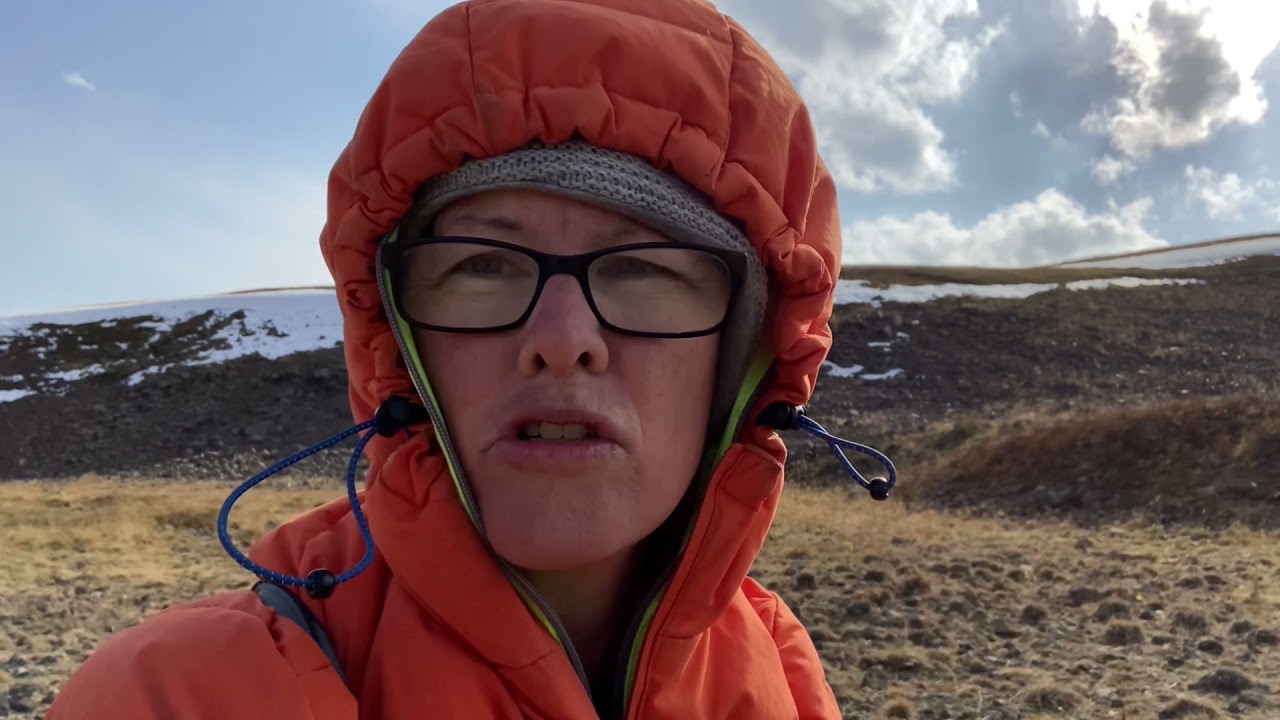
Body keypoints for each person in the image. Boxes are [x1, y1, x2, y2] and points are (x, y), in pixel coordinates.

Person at [47, 0, 896, 717]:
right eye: (482, 266)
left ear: (746, 356)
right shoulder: (176, 695)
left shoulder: (781, 672)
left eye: (645, 269)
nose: (563, 338)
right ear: (397, 341)